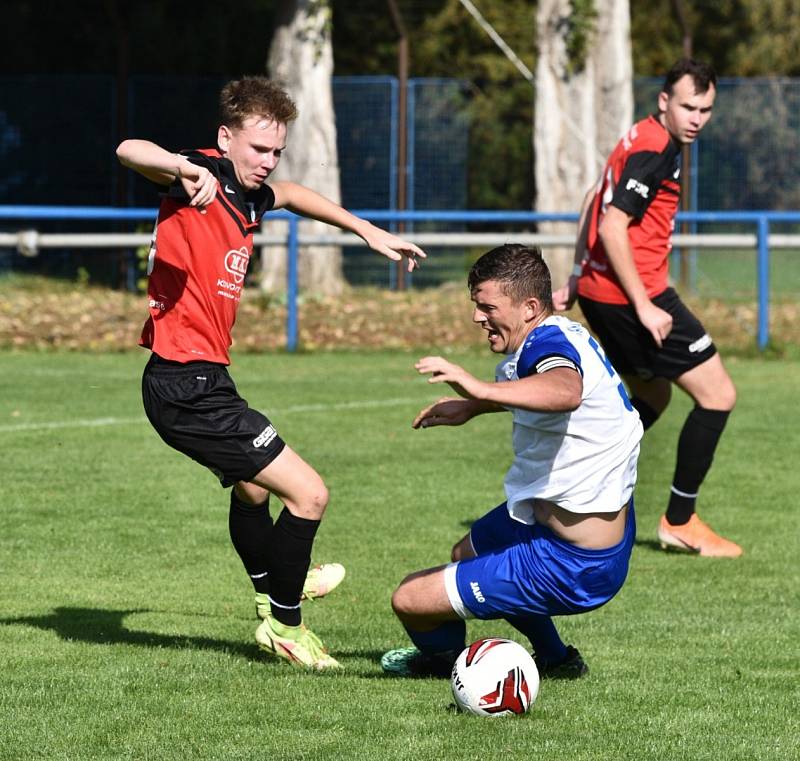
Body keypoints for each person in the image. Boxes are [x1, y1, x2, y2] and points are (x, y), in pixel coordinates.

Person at [117, 76, 426, 671]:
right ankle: (286, 625)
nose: (268, 161)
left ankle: (276, 584)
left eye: (277, 150)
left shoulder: (251, 194)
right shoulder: (197, 176)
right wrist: (182, 168)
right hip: (184, 383)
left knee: (254, 487)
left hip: (205, 379)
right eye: (258, 149)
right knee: (310, 494)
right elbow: (129, 149)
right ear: (225, 138)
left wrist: (367, 231)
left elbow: (294, 194)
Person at [381, 244, 642, 679]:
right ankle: (557, 659)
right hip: (556, 526)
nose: (476, 317)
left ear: (530, 307)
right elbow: (553, 393)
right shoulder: (557, 334)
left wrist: (477, 389)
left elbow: (564, 391)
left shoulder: (550, 346)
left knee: (408, 599)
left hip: (573, 563)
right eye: (475, 305)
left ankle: (445, 666)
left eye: (487, 307)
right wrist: (474, 408)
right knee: (465, 553)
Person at [553, 58, 742, 558]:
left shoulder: (639, 135)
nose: (697, 117)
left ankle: (568, 489)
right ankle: (680, 521)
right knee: (718, 394)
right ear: (664, 101)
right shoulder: (658, 150)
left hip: (603, 290)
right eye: (687, 106)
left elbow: (594, 197)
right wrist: (645, 306)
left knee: (650, 398)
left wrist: (575, 275)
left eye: (705, 109)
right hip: (635, 296)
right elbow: (613, 225)